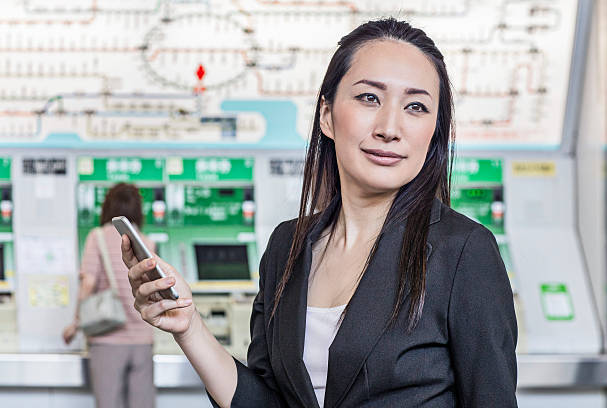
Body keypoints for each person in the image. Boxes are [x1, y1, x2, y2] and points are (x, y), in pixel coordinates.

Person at [121, 18, 518, 408]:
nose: (390, 127)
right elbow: (265, 401)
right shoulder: (287, 247)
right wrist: (188, 326)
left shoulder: (463, 251)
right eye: (369, 98)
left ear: (434, 130)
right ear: (327, 115)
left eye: (416, 107)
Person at [64, 183, 156, 408]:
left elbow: (88, 282)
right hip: (142, 341)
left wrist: (75, 324)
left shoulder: (97, 237)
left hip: (107, 340)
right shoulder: (146, 240)